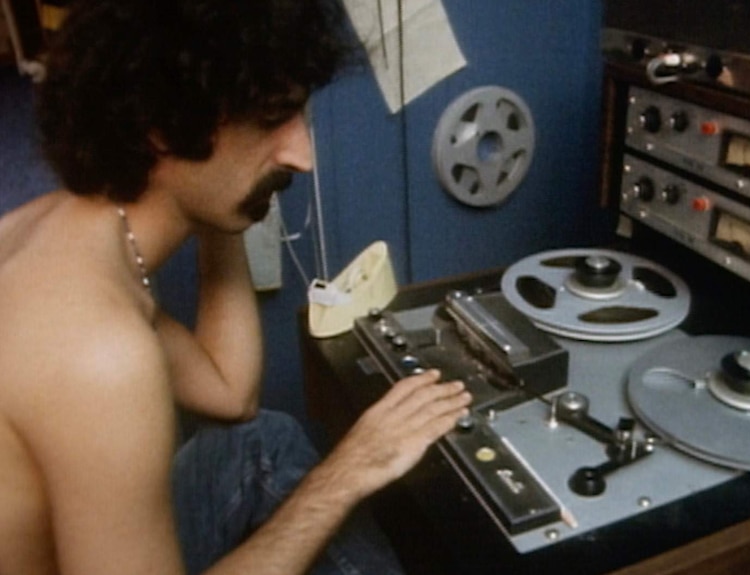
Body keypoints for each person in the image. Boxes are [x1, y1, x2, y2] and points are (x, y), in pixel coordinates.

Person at [0, 1, 472, 574]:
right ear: (164, 126)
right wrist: (345, 474)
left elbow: (230, 395)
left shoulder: (67, 231)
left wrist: (221, 207)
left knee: (263, 441)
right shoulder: (98, 350)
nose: (303, 155)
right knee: (327, 478)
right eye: (273, 118)